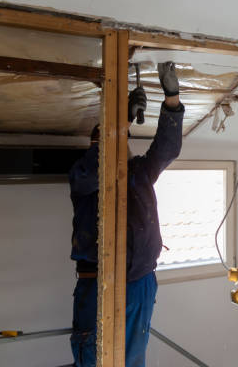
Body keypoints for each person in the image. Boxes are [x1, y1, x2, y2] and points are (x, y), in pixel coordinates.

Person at [68, 62, 184, 366]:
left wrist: (171, 97)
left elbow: (167, 149)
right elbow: (99, 163)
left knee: (132, 360)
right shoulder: (84, 177)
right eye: (111, 141)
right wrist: (122, 120)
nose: (121, 147)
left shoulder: (140, 172)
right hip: (98, 284)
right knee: (96, 359)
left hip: (141, 281)